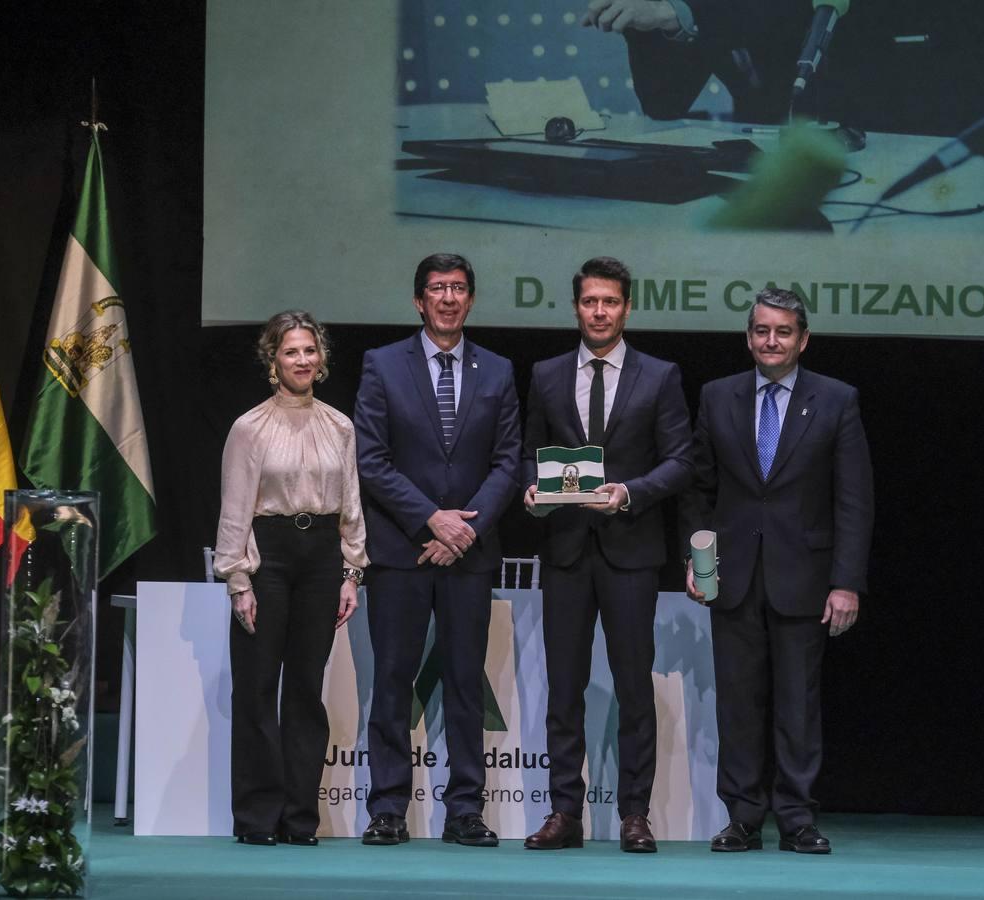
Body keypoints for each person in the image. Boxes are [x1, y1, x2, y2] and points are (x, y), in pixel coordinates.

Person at [682, 287, 872, 854]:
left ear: (803, 339)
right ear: (748, 337)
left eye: (783, 332)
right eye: (762, 331)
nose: (771, 341)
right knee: (737, 703)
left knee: (798, 704)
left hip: (806, 579)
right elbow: (698, 488)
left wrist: (846, 582)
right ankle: (742, 817)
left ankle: (796, 818)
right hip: (733, 577)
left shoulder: (837, 400)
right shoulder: (717, 397)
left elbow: (854, 500)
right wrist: (699, 562)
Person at [520, 257, 693, 853]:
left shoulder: (660, 375)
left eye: (610, 302)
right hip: (566, 550)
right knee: (563, 689)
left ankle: (634, 815)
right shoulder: (545, 374)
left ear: (626, 307)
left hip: (631, 551)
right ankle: (564, 812)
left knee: (632, 687)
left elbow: (679, 461)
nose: (600, 311)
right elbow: (527, 455)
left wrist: (630, 492)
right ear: (576, 307)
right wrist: (532, 491)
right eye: (590, 301)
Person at [354, 253, 521, 848]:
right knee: (394, 680)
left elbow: (508, 462)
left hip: (469, 555)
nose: (448, 298)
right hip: (402, 552)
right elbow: (371, 459)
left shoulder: (498, 370)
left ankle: (465, 812)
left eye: (458, 288)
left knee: (464, 683)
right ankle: (388, 810)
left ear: (471, 299)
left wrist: (463, 530)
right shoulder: (382, 365)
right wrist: (431, 520)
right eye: (436, 289)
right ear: (419, 301)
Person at [213, 310, 368, 846]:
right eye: (290, 352)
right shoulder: (250, 427)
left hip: (322, 557)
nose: (302, 360)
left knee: (305, 691)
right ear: (272, 360)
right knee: (257, 689)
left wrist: (352, 571)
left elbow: (351, 505)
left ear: (320, 359)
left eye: (309, 351)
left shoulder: (339, 426)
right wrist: (238, 578)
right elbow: (235, 508)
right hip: (269, 557)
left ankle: (301, 819)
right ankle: (258, 818)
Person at [581, 0, 984, 134]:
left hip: (930, 157)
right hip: (787, 191)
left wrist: (684, 11)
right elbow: (664, 101)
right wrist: (657, 18)